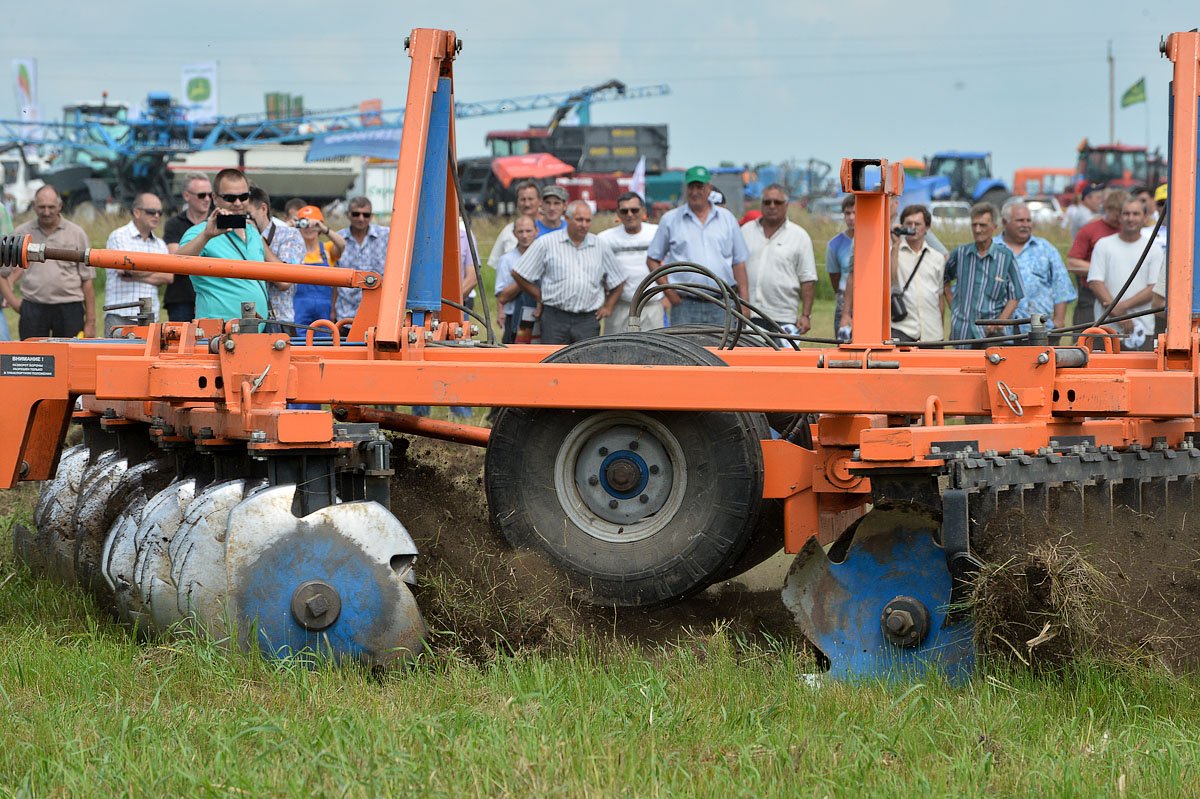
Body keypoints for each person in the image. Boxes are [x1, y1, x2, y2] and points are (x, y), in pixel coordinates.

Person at [175, 168, 289, 320]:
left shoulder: (252, 232)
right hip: (217, 333)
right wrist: (206, 236)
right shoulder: (200, 231)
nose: (237, 203)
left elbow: (284, 279)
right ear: (215, 198)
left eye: (243, 197)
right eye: (230, 197)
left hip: (256, 329)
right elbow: (176, 264)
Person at [646, 165, 749, 326]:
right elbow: (652, 259)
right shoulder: (671, 219)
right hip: (685, 304)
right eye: (691, 187)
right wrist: (670, 293)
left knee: (722, 350)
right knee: (684, 350)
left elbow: (739, 263)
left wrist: (743, 301)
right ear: (686, 188)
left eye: (700, 187)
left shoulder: (727, 219)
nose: (695, 192)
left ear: (709, 188)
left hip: (722, 304)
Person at [511, 200, 623, 345]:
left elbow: (619, 280)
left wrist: (609, 306)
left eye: (588, 220)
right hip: (555, 318)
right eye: (579, 219)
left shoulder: (600, 245)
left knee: (586, 362)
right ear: (567, 219)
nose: (584, 224)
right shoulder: (547, 243)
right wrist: (540, 296)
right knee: (554, 362)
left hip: (587, 320)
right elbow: (518, 272)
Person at [0, 186, 95, 339]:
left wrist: (90, 322)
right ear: (34, 206)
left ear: (60, 206)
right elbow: (2, 273)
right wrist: (16, 304)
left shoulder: (76, 233)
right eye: (41, 207)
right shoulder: (21, 233)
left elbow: (87, 280)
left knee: (70, 358)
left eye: (51, 207)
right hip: (33, 307)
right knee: (32, 359)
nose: (46, 212)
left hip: (70, 307)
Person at [1087, 198, 1164, 351]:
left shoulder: (1154, 249)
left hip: (1142, 328)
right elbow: (1095, 282)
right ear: (1119, 217)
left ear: (1145, 217)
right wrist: (1118, 315)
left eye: (1136, 214)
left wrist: (1121, 310)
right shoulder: (1103, 245)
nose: (1131, 218)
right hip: (1106, 329)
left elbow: (1153, 288)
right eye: (1126, 213)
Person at [943, 202, 1023, 348]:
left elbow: (1016, 295)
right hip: (963, 332)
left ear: (994, 227)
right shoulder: (960, 253)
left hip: (990, 335)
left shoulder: (1005, 257)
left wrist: (1000, 322)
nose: (978, 230)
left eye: (983, 225)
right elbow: (944, 280)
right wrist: (954, 306)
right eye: (974, 225)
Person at [742, 183, 816, 333]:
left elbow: (808, 279)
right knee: (749, 356)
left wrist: (806, 315)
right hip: (749, 314)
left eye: (777, 202)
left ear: (786, 205)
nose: (772, 206)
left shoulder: (799, 236)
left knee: (782, 357)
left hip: (784, 316)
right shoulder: (745, 231)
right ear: (761, 204)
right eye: (767, 202)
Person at [998, 198, 1075, 331]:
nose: (1026, 225)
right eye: (1020, 221)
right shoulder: (993, 249)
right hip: (1000, 332)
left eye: (1028, 220)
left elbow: (1061, 285)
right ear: (1005, 222)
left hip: (1038, 330)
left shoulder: (1045, 248)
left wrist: (1058, 322)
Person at [103, 192, 172, 334]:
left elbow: (168, 277)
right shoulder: (119, 236)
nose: (157, 216)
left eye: (160, 212)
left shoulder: (160, 244)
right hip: (120, 315)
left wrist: (134, 274)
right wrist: (156, 268)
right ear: (136, 212)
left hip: (150, 319)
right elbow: (124, 270)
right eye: (151, 212)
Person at [597, 191, 664, 333]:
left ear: (643, 211)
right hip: (620, 306)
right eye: (624, 211)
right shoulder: (605, 238)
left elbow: (671, 262)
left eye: (634, 210)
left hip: (652, 306)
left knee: (656, 352)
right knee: (615, 351)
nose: (629, 214)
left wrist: (669, 296)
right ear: (618, 213)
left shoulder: (657, 232)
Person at [1067, 189, 1126, 330]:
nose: (1118, 218)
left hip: (1122, 294)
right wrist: (1100, 270)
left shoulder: (1129, 232)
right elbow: (1072, 262)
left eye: (1122, 213)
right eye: (1115, 213)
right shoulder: (1090, 230)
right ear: (1107, 208)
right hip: (1091, 297)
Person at [890, 204, 947, 344]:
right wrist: (896, 244)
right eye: (908, 223)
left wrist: (940, 326)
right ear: (902, 226)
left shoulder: (937, 258)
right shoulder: (893, 253)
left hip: (932, 332)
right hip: (903, 328)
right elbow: (889, 279)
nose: (913, 227)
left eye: (918, 224)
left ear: (927, 227)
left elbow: (939, 295)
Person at [247, 186, 304, 324]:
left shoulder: (289, 235)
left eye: (247, 215)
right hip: (246, 320)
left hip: (278, 322)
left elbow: (284, 282)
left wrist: (257, 239)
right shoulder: (235, 237)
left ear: (263, 209)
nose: (244, 221)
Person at [162, 172, 210, 321]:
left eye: (210, 194)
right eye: (202, 195)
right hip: (182, 298)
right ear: (187, 196)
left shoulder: (220, 223)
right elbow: (176, 260)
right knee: (179, 343)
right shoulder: (174, 224)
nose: (207, 199)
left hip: (211, 297)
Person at [334, 197, 389, 320]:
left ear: (371, 216)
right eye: (356, 214)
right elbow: (334, 280)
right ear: (348, 215)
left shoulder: (387, 236)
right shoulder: (338, 239)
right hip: (345, 314)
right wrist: (332, 311)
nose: (361, 218)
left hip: (378, 313)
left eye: (366, 215)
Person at [291, 205, 346, 328]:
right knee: (298, 345)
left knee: (323, 344)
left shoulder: (327, 250)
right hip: (298, 308)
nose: (309, 228)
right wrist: (289, 226)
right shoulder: (293, 251)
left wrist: (324, 228)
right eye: (304, 223)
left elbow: (342, 245)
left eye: (314, 224)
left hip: (324, 310)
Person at [494, 215, 538, 343]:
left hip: (538, 315)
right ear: (514, 233)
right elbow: (502, 296)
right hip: (513, 317)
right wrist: (523, 279)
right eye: (520, 231)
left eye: (528, 231)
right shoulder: (506, 260)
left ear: (536, 231)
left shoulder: (544, 256)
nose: (525, 235)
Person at [487, 180, 540, 267]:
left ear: (540, 201)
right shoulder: (508, 230)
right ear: (517, 202)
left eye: (530, 199)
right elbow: (496, 263)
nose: (527, 204)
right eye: (523, 199)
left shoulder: (550, 227)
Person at [825, 194, 856, 339]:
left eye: (855, 213)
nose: (851, 217)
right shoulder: (835, 244)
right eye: (847, 213)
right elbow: (834, 275)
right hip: (845, 298)